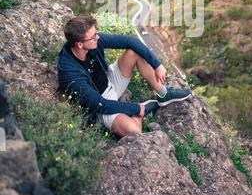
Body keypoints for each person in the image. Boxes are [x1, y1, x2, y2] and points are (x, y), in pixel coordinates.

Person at [57, 16, 191, 138]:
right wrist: (136, 109)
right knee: (134, 131)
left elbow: (130, 41)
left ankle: (163, 94)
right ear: (79, 44)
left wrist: (157, 65)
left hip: (110, 81)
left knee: (134, 52)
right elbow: (99, 104)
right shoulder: (69, 72)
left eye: (96, 33)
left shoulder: (92, 41)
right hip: (100, 104)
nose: (97, 37)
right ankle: (139, 113)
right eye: (93, 36)